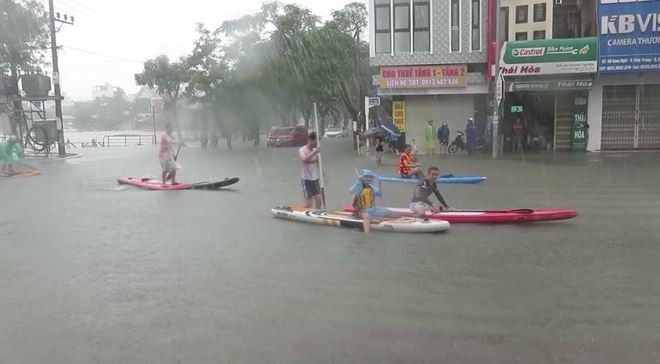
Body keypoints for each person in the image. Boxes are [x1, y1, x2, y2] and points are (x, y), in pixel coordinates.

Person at [299, 132, 322, 209]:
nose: (316, 145)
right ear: (310, 140)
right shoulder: (302, 150)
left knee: (318, 199)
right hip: (306, 180)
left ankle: (318, 213)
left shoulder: (316, 150)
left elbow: (319, 163)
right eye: (315, 142)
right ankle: (302, 212)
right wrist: (314, 152)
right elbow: (304, 159)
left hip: (315, 179)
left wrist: (323, 174)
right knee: (309, 203)